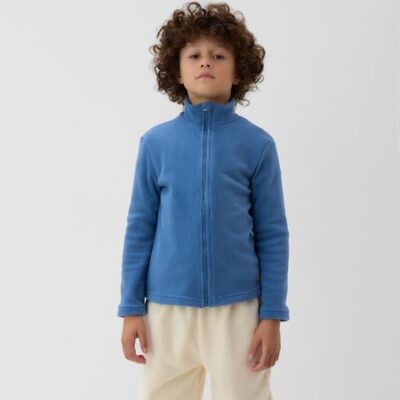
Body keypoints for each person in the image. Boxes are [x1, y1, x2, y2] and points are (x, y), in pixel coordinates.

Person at [117, 2, 290, 399]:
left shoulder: (257, 145)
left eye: (219, 55)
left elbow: (273, 234)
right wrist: (131, 308)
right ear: (176, 71)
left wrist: (272, 314)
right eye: (194, 55)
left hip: (238, 311)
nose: (206, 62)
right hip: (166, 311)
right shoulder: (155, 144)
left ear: (239, 69)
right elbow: (140, 228)